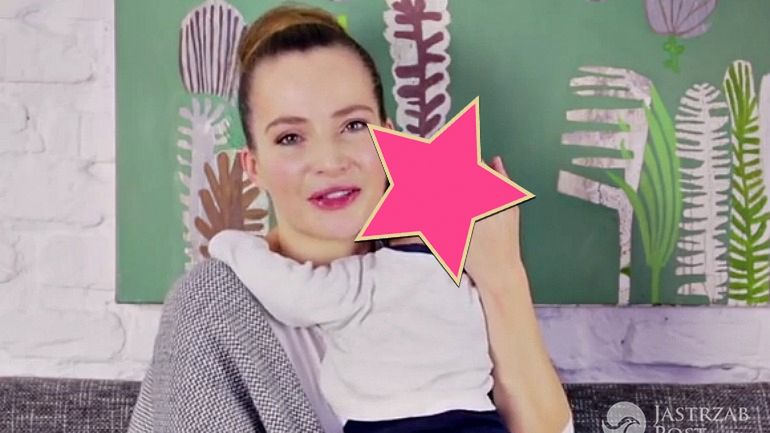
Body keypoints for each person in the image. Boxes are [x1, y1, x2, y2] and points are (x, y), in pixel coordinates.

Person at [128, 4, 574, 433]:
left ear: (391, 137)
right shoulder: (213, 303)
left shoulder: (437, 265)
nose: (330, 161)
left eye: (353, 126)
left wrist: (502, 275)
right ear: (254, 166)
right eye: (290, 137)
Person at [208, 227, 506, 433]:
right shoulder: (468, 285)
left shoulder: (365, 277)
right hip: (481, 418)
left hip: (389, 423)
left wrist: (233, 243)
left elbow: (292, 296)